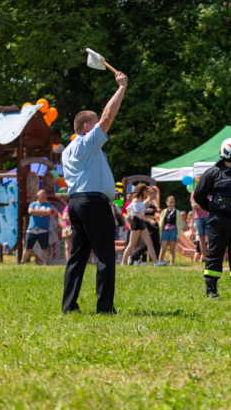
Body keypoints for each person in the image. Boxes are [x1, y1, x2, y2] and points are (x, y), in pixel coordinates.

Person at [61, 70, 128, 314]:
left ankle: (69, 306)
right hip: (92, 204)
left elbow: (88, 176)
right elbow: (109, 114)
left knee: (77, 257)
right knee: (104, 255)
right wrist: (121, 87)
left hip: (76, 204)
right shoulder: (88, 141)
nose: (101, 127)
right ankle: (104, 308)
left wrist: (110, 192)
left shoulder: (69, 150)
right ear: (88, 127)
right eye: (96, 123)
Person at [193, 138, 231, 300]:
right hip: (220, 219)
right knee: (215, 253)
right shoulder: (213, 173)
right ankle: (211, 291)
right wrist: (212, 208)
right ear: (227, 154)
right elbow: (199, 195)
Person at [121, 184, 164, 267]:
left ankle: (156, 262)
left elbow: (141, 212)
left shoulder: (142, 199)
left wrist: (147, 210)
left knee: (149, 243)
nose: (147, 192)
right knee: (131, 244)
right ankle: (123, 263)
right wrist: (149, 220)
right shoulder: (136, 200)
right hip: (136, 223)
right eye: (145, 190)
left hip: (142, 223)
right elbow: (138, 215)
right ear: (142, 190)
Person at [22, 189, 53, 265]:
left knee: (44, 248)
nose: (44, 197)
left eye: (45, 195)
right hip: (32, 230)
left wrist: (37, 212)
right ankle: (22, 263)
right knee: (28, 248)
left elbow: (48, 212)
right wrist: (43, 212)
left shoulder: (48, 205)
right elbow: (30, 211)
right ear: (38, 196)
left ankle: (47, 264)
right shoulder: (33, 204)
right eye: (42, 195)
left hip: (43, 230)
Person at [130, 186, 160, 264]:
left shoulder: (152, 202)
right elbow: (140, 214)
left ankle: (154, 262)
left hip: (151, 223)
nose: (155, 196)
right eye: (154, 194)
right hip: (146, 223)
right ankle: (135, 257)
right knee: (139, 244)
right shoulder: (145, 202)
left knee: (150, 243)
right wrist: (149, 219)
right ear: (148, 194)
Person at [158, 195, 178, 265]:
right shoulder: (164, 211)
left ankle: (172, 263)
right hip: (165, 231)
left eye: (172, 202)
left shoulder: (177, 212)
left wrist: (178, 236)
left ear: (174, 203)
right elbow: (161, 223)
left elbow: (179, 224)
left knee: (172, 249)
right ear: (167, 203)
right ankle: (160, 262)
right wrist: (160, 234)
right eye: (170, 202)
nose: (171, 203)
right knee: (163, 249)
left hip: (173, 231)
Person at [190, 185, 208, 262]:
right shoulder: (194, 192)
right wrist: (204, 204)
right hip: (198, 218)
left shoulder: (208, 192)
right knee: (201, 238)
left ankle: (210, 256)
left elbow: (210, 203)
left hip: (208, 216)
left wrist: (199, 205)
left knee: (211, 238)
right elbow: (193, 205)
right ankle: (203, 257)